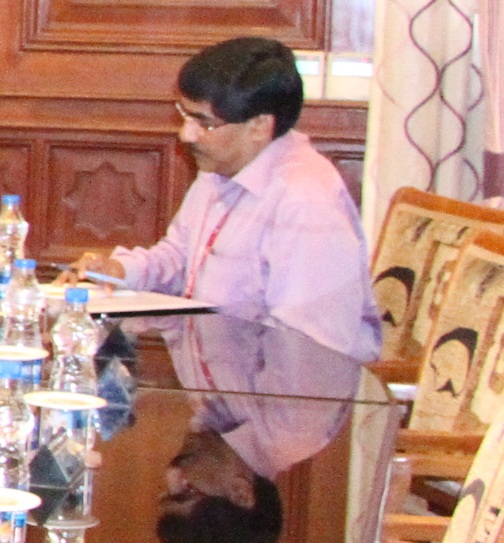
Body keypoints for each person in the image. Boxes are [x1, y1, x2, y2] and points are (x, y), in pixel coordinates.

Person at [81, 37, 381, 363]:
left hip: (278, 399)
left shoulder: (306, 204)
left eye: (204, 123)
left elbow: (310, 352)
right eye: (185, 116)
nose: (187, 134)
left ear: (259, 126)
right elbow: (182, 259)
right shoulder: (220, 169)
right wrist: (118, 270)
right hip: (219, 382)